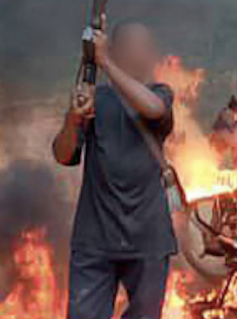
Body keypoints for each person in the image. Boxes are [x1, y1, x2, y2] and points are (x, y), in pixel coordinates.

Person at [52, 17, 176, 319]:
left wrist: (104, 62)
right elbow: (63, 155)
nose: (137, 53)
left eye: (143, 46)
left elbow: (154, 110)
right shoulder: (95, 100)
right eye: (129, 46)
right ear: (115, 50)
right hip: (95, 239)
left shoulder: (160, 93)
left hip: (148, 239)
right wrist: (73, 119)